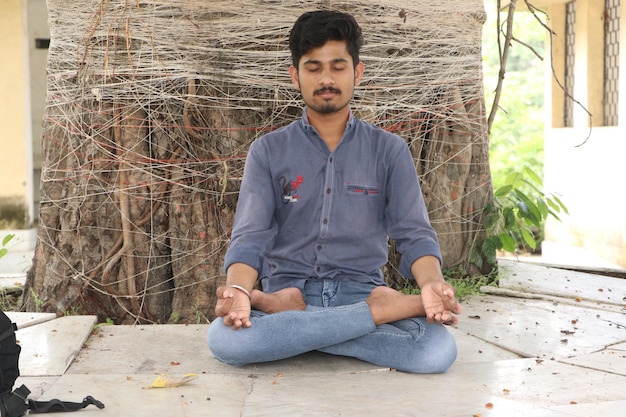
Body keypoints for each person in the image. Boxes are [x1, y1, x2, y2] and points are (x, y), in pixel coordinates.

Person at [207, 10, 462, 374]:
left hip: (357, 290)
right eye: (313, 68)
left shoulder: (388, 150)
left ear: (357, 72)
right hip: (293, 288)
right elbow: (250, 238)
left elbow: (414, 233)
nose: (326, 78)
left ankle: (297, 327)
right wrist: (240, 293)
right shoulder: (268, 151)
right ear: (295, 76)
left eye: (338, 66)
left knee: (435, 352)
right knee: (225, 339)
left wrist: (432, 284)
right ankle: (381, 313)